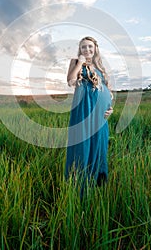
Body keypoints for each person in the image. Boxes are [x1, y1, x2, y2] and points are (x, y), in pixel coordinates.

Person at [65, 36, 113, 194]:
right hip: (84, 110)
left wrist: (110, 108)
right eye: (83, 47)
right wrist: (80, 62)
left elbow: (108, 91)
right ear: (80, 49)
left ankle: (98, 184)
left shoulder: (100, 66)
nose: (87, 50)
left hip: (101, 115)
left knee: (99, 143)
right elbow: (71, 81)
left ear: (95, 48)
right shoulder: (76, 62)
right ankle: (80, 185)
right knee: (83, 142)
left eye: (90, 47)